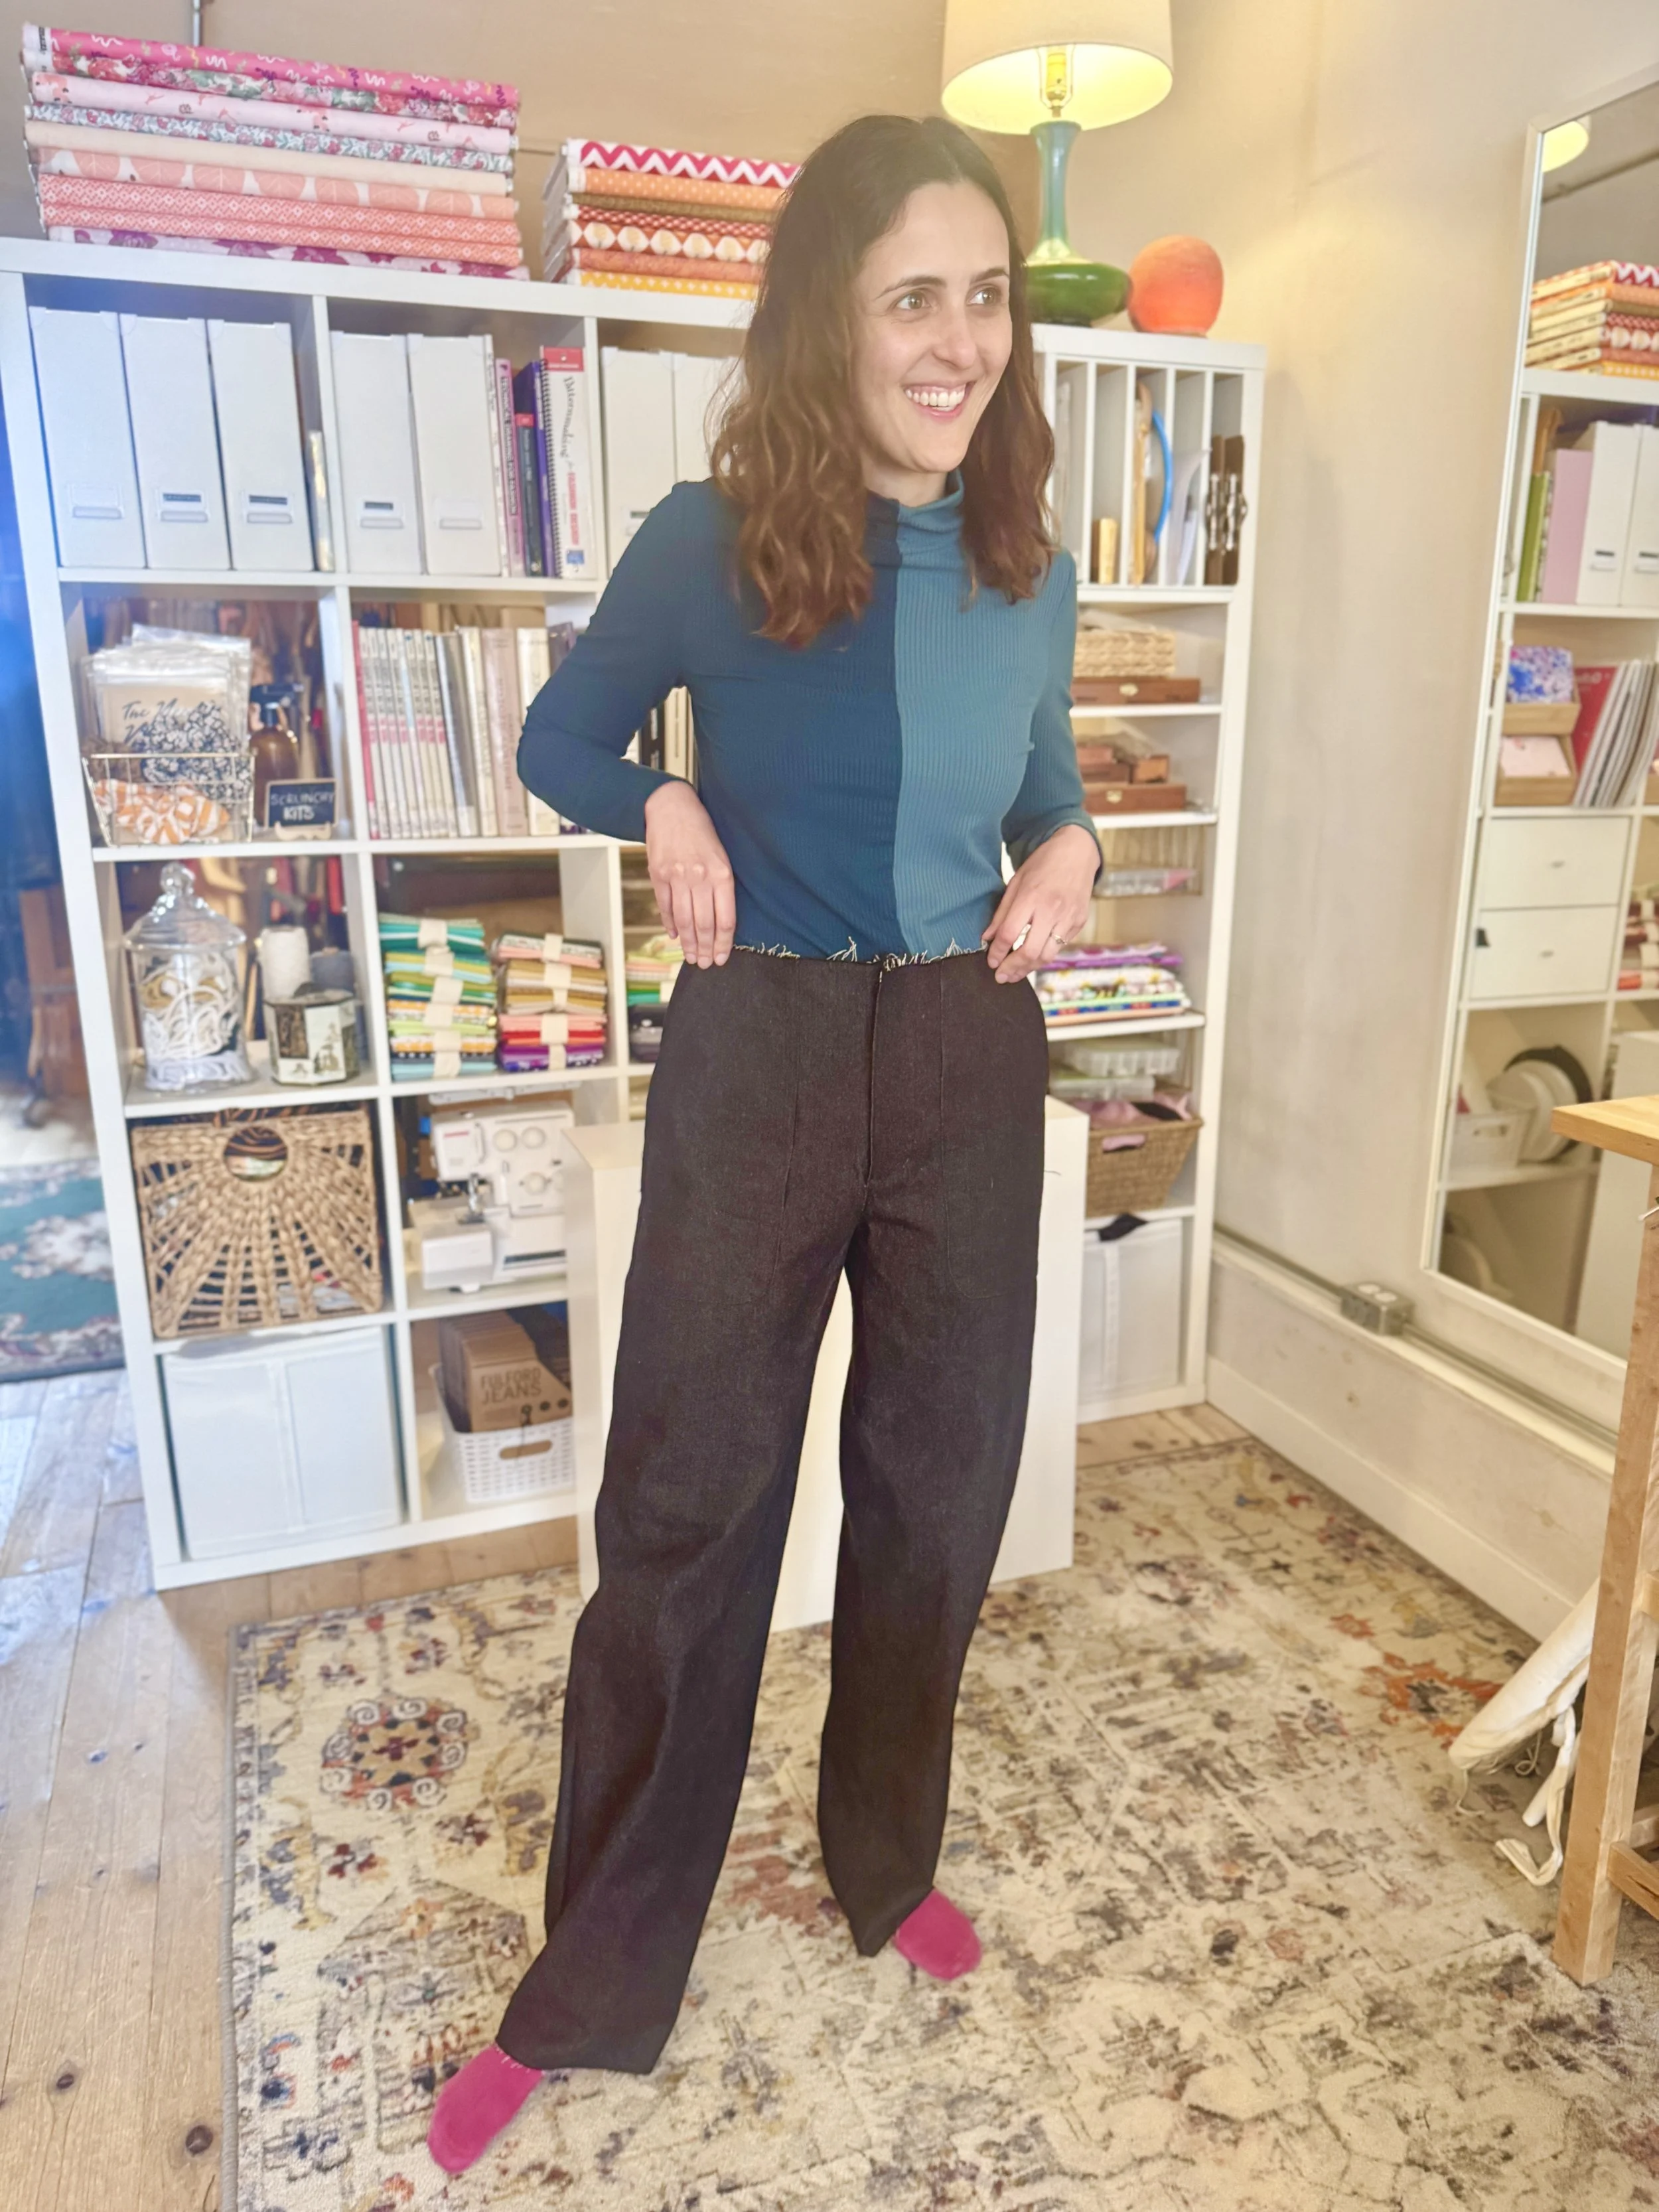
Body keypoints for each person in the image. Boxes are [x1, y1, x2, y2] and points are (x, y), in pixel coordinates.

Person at [429, 110, 1102, 2174]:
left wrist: (1066, 850)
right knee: (689, 1513)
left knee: (937, 1497)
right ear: (827, 314)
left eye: (984, 296)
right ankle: (596, 1975)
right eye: (915, 294)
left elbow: (1044, 785)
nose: (958, 338)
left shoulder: (1026, 562)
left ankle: (879, 1867)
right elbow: (559, 730)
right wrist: (665, 801)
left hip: (970, 1059)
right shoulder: (707, 540)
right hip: (766, 1043)